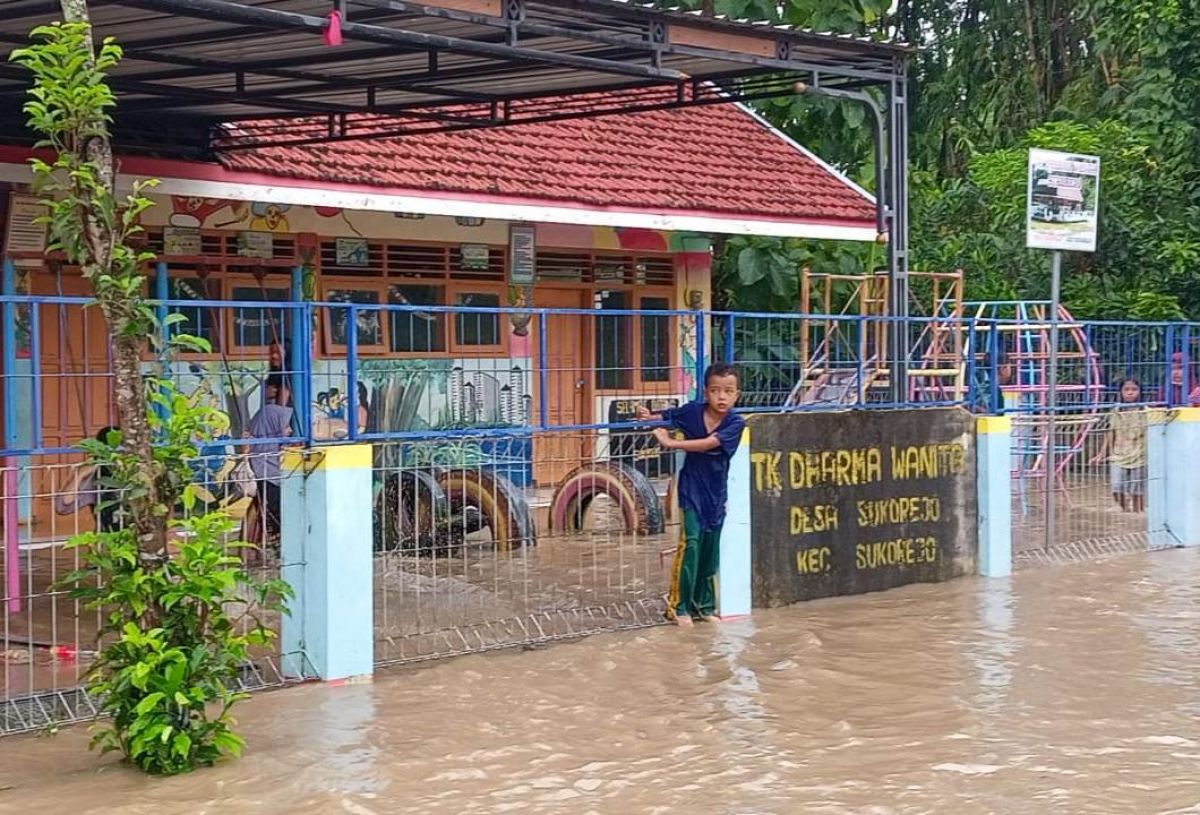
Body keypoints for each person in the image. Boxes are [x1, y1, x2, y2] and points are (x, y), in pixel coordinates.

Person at [636, 363, 745, 628]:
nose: (721, 397)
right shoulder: (692, 412)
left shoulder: (735, 422)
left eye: (728, 391)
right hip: (692, 487)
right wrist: (648, 417)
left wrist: (672, 443)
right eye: (716, 390)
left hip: (717, 493)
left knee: (711, 548)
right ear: (706, 392)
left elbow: (710, 443)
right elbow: (669, 416)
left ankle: (703, 605)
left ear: (736, 395)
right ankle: (679, 607)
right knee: (692, 543)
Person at [243, 403, 294, 544]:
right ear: (272, 425)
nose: (289, 431)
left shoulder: (276, 453)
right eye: (285, 426)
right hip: (269, 484)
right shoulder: (263, 464)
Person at [54, 426, 120, 533]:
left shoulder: (139, 472)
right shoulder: (98, 475)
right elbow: (63, 506)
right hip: (110, 536)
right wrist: (80, 474)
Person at [1095, 378, 1147, 513]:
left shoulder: (1146, 411)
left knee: (1137, 490)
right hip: (1118, 454)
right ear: (1121, 392)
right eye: (1126, 389)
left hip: (1139, 454)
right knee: (1116, 487)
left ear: (1140, 392)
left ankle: (1137, 512)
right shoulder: (1116, 410)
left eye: (1134, 389)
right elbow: (1111, 432)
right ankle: (1124, 508)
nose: (1130, 393)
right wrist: (1102, 453)